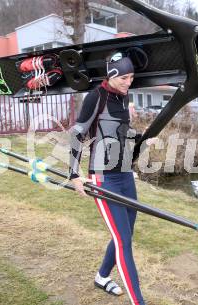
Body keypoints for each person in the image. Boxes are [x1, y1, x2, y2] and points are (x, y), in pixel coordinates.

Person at [69, 53, 145, 305]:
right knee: (123, 242)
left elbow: (121, 135)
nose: (128, 82)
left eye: (132, 77)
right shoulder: (96, 97)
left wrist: (140, 141)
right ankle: (139, 302)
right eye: (124, 77)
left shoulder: (124, 98)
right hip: (104, 178)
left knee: (125, 235)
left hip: (124, 174)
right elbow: (78, 133)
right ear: (111, 76)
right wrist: (74, 174)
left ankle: (102, 277)